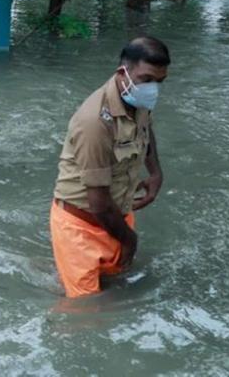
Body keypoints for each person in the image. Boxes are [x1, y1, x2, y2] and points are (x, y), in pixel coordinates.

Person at [49, 37, 169, 298]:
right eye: (146, 79)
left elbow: (146, 127)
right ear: (122, 73)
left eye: (159, 82)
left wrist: (156, 172)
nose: (153, 89)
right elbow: (98, 202)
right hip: (81, 227)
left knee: (117, 285)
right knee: (86, 310)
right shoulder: (94, 121)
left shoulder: (138, 101)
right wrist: (130, 240)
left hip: (117, 217)